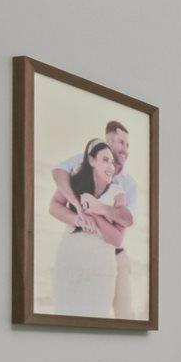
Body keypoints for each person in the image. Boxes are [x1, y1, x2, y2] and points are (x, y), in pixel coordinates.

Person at [52, 120, 139, 317]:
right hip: (72, 258)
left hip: (111, 257)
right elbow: (57, 174)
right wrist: (79, 210)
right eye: (121, 142)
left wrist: (97, 210)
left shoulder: (126, 186)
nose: (125, 150)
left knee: (123, 315)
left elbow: (127, 220)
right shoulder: (80, 168)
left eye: (127, 145)